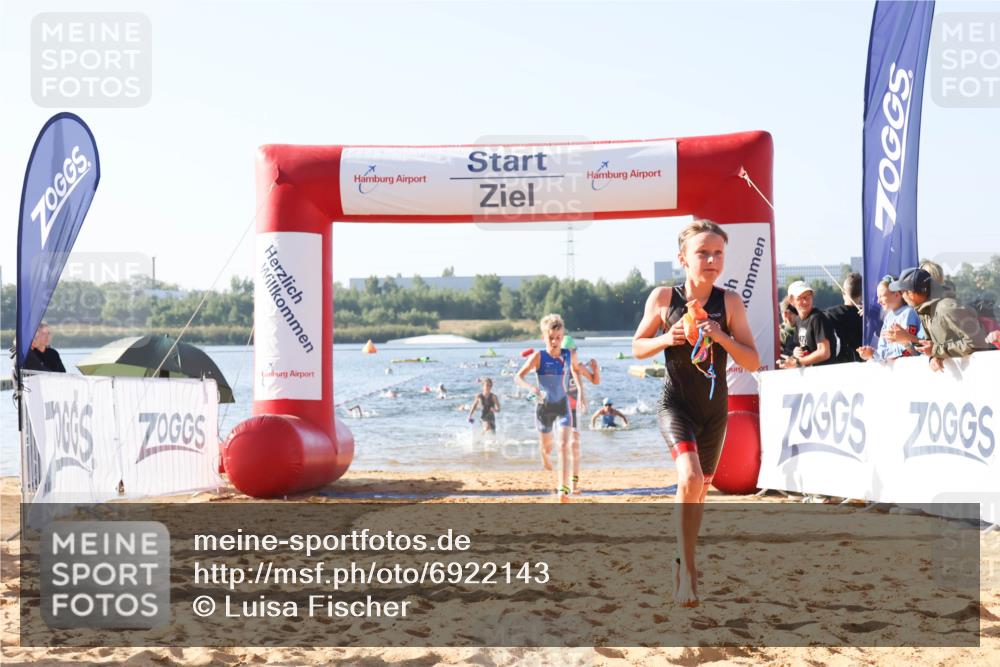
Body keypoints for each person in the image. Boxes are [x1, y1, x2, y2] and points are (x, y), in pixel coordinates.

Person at [632, 219, 759, 607]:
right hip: (676, 405)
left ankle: (681, 559)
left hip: (714, 411)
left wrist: (719, 334)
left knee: (698, 494)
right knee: (688, 477)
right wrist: (667, 338)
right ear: (683, 258)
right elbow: (637, 346)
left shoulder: (729, 302)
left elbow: (752, 360)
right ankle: (688, 571)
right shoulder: (663, 299)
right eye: (702, 252)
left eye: (718, 253)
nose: (711, 259)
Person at [516, 313, 584, 503]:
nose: (555, 342)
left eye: (558, 338)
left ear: (562, 337)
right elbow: (518, 376)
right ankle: (543, 455)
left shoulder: (569, 354)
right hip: (543, 408)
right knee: (548, 448)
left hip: (562, 405)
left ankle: (562, 490)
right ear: (543, 337)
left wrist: (582, 387)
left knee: (563, 446)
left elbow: (577, 369)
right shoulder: (539, 357)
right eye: (551, 338)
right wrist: (532, 388)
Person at [890, 267, 988, 372]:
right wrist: (933, 356)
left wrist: (936, 350)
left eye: (901, 292)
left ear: (911, 294)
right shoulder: (925, 310)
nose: (902, 297)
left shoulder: (947, 307)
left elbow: (978, 343)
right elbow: (934, 346)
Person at [857, 275, 926, 362]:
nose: (878, 301)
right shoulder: (888, 317)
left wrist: (881, 355)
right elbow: (882, 348)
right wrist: (872, 354)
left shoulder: (909, 313)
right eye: (878, 297)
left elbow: (908, 351)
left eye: (881, 296)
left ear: (897, 295)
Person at [562, 335, 600, 493]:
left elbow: (595, 380)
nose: (570, 354)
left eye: (572, 351)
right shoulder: (558, 367)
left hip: (574, 409)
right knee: (564, 446)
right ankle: (563, 484)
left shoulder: (579, 366)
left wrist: (595, 370)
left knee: (574, 445)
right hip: (560, 408)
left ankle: (573, 485)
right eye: (567, 352)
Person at [777, 281, 836, 369]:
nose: (805, 301)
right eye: (800, 298)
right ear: (791, 300)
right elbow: (799, 346)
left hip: (825, 374)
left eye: (808, 297)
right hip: (811, 374)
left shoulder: (817, 318)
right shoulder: (798, 320)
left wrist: (797, 362)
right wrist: (795, 352)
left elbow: (824, 353)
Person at [824, 273, 863, 363]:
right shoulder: (870, 315)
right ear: (862, 293)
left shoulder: (829, 314)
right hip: (865, 364)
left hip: (840, 365)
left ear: (843, 292)